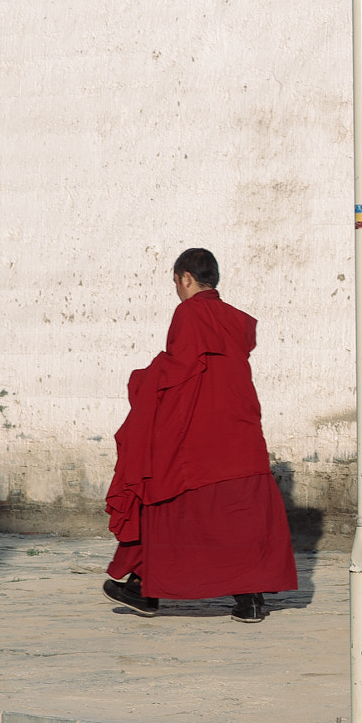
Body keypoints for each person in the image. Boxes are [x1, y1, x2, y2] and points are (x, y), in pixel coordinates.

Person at [103, 248, 298, 623]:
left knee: (168, 499)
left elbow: (178, 370)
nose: (177, 290)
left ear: (186, 278)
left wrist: (142, 380)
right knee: (236, 517)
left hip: (198, 437)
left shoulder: (191, 312)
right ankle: (250, 599)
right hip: (239, 434)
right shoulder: (233, 320)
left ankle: (144, 589)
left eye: (176, 282)